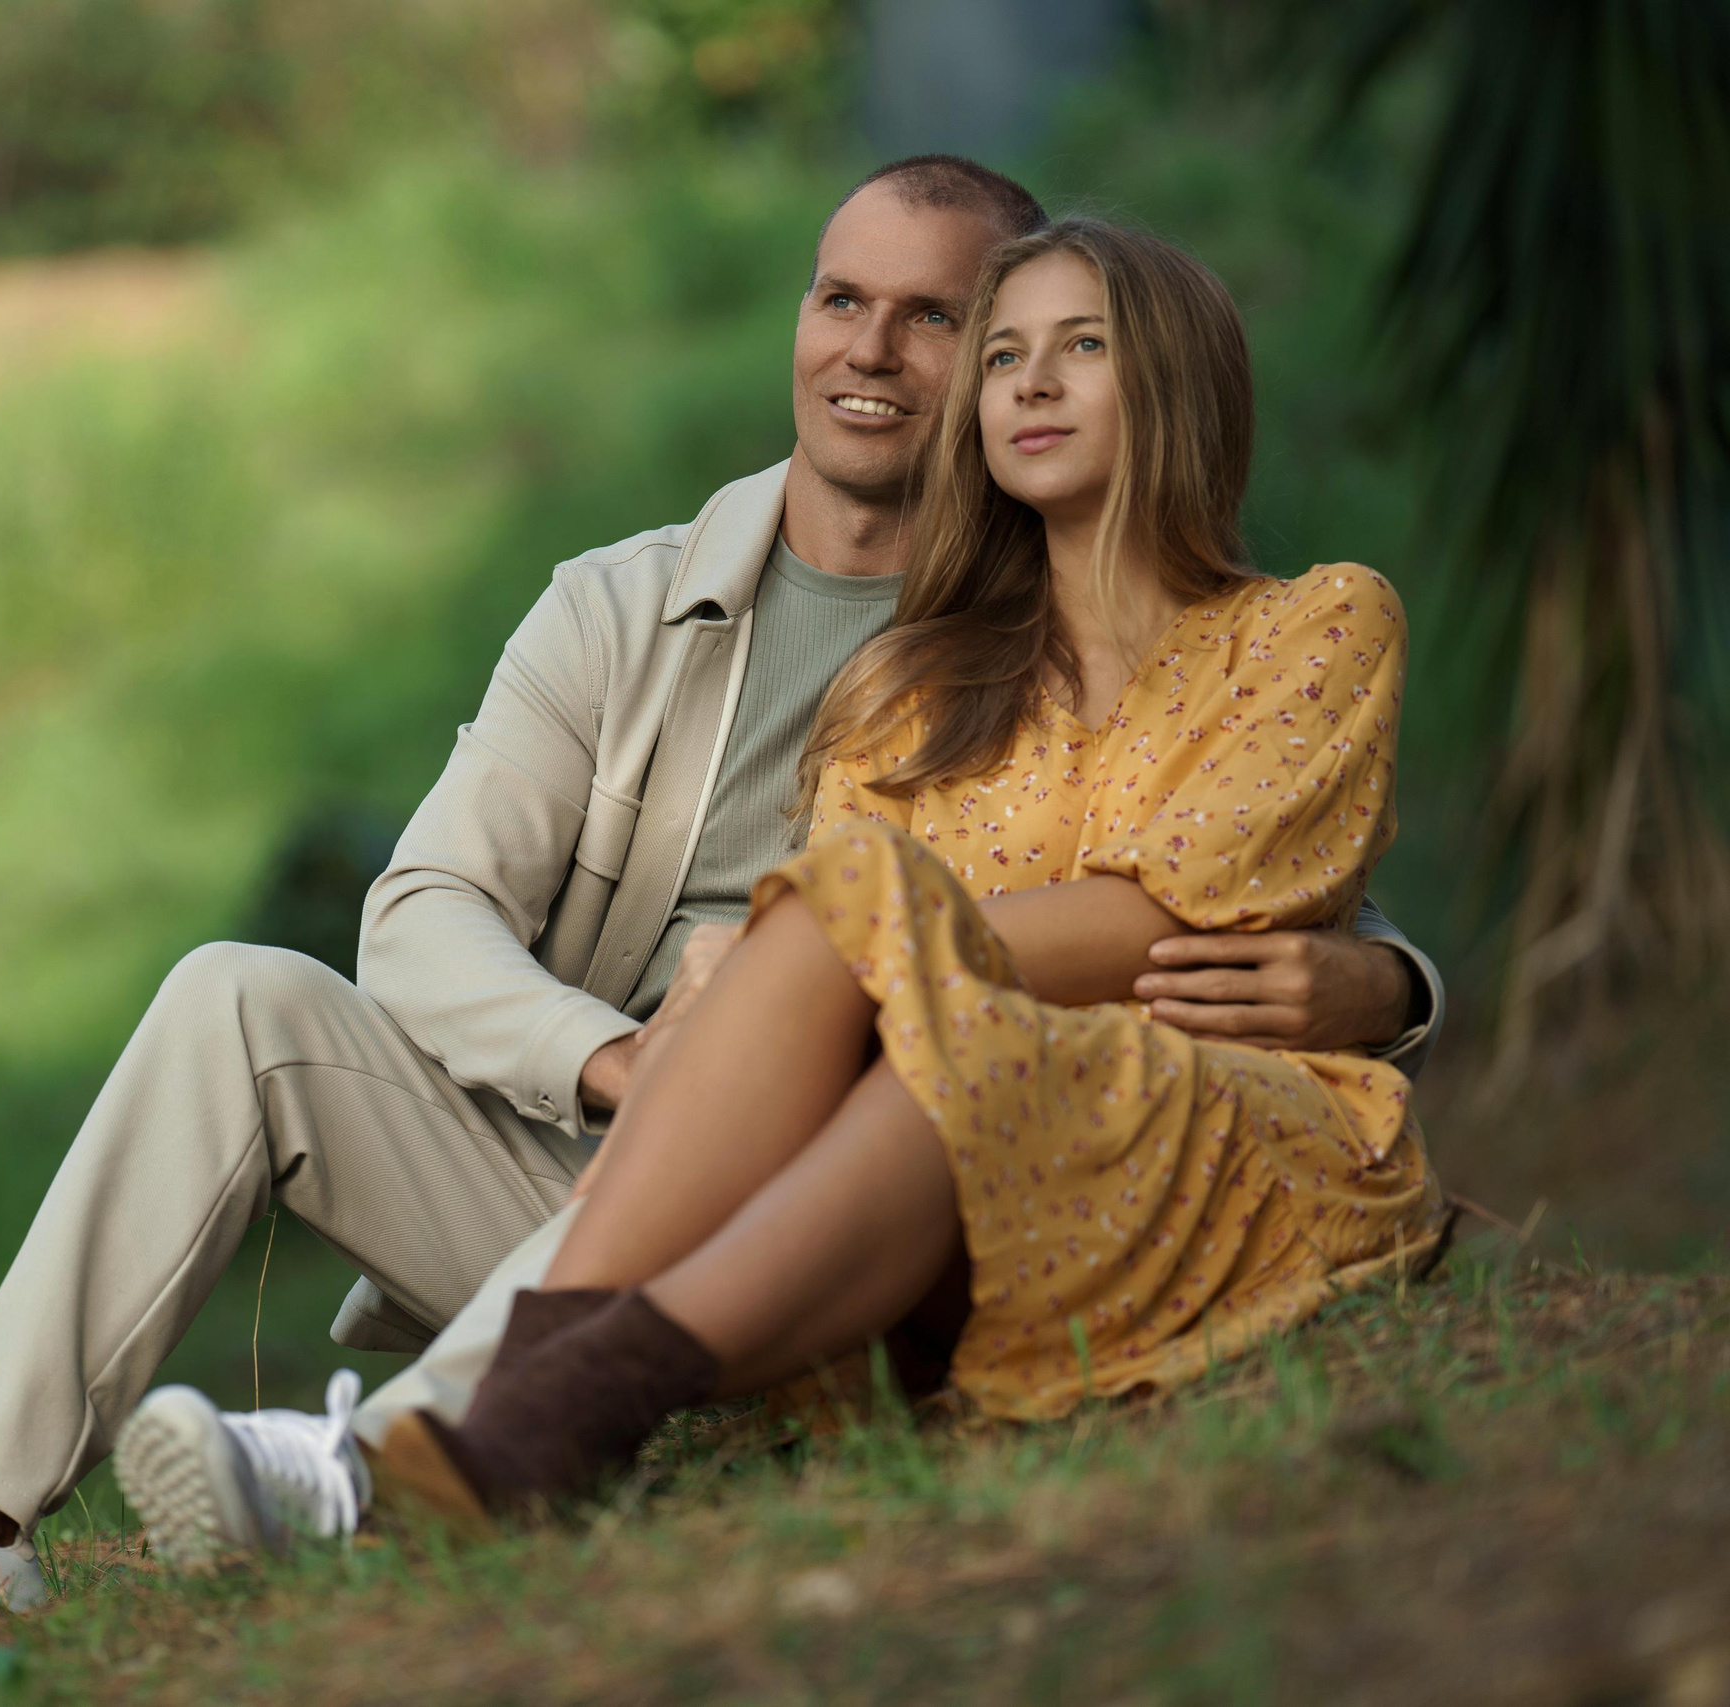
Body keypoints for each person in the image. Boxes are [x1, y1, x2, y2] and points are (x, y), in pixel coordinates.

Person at [0, 162, 1442, 1643]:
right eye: (845, 301)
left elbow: (1209, 874)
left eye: (941, 321)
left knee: (854, 962)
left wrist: (1387, 984)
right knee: (233, 994)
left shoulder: (1047, 631)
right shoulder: (638, 612)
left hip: (875, 1144)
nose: (874, 351)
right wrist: (620, 1064)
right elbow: (423, 911)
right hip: (600, 1133)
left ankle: (416, 1454)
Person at [364, 217, 1448, 1524]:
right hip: (938, 1164)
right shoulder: (908, 697)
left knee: (881, 959)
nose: (1031, 383)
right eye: (1001, 357)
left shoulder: (1311, 628)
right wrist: (846, 958)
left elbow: (1176, 909)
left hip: (1211, 1123)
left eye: (1082, 347)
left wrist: (880, 938)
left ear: (1179, 378)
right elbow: (839, 1008)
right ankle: (539, 1407)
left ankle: (543, 1406)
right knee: (928, 1030)